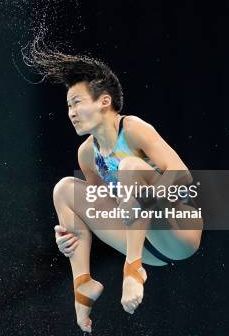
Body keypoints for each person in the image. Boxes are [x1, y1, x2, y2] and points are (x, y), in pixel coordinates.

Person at [23, 42, 203, 333]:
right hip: (145, 243)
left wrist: (144, 198)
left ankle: (132, 270)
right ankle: (82, 286)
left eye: (77, 102)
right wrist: (71, 236)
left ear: (104, 101)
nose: (71, 112)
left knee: (129, 167)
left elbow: (183, 178)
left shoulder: (133, 129)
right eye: (68, 105)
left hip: (179, 230)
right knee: (64, 190)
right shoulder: (86, 154)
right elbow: (104, 206)